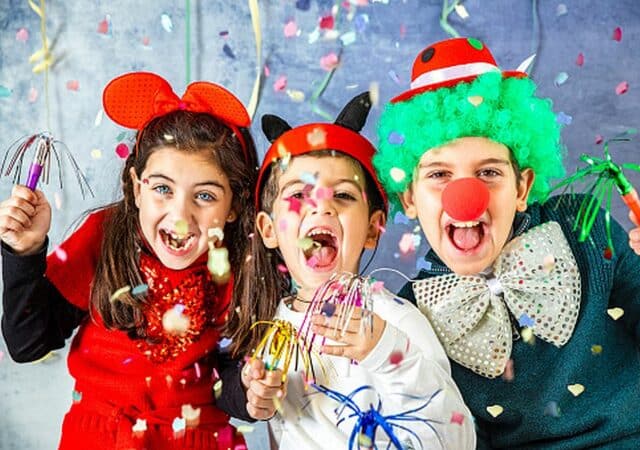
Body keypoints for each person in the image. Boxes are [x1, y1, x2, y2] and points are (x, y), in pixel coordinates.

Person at [373, 37, 640, 448]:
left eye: (489, 173)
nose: (465, 198)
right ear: (409, 197)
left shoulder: (585, 228)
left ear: (522, 186)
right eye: (439, 175)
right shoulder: (411, 313)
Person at [0, 72, 281, 449]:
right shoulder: (106, 237)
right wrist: (24, 253)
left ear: (233, 206)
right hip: (98, 437)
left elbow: (227, 383)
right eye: (162, 189)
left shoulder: (238, 265)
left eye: (205, 196)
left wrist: (251, 392)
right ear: (136, 188)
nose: (180, 215)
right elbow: (27, 343)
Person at [249, 92, 476, 449]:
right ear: (269, 230)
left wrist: (386, 350)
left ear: (373, 229)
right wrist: (262, 401)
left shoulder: (396, 320)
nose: (320, 207)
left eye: (342, 195)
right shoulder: (273, 329)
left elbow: (456, 439)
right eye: (297, 196)